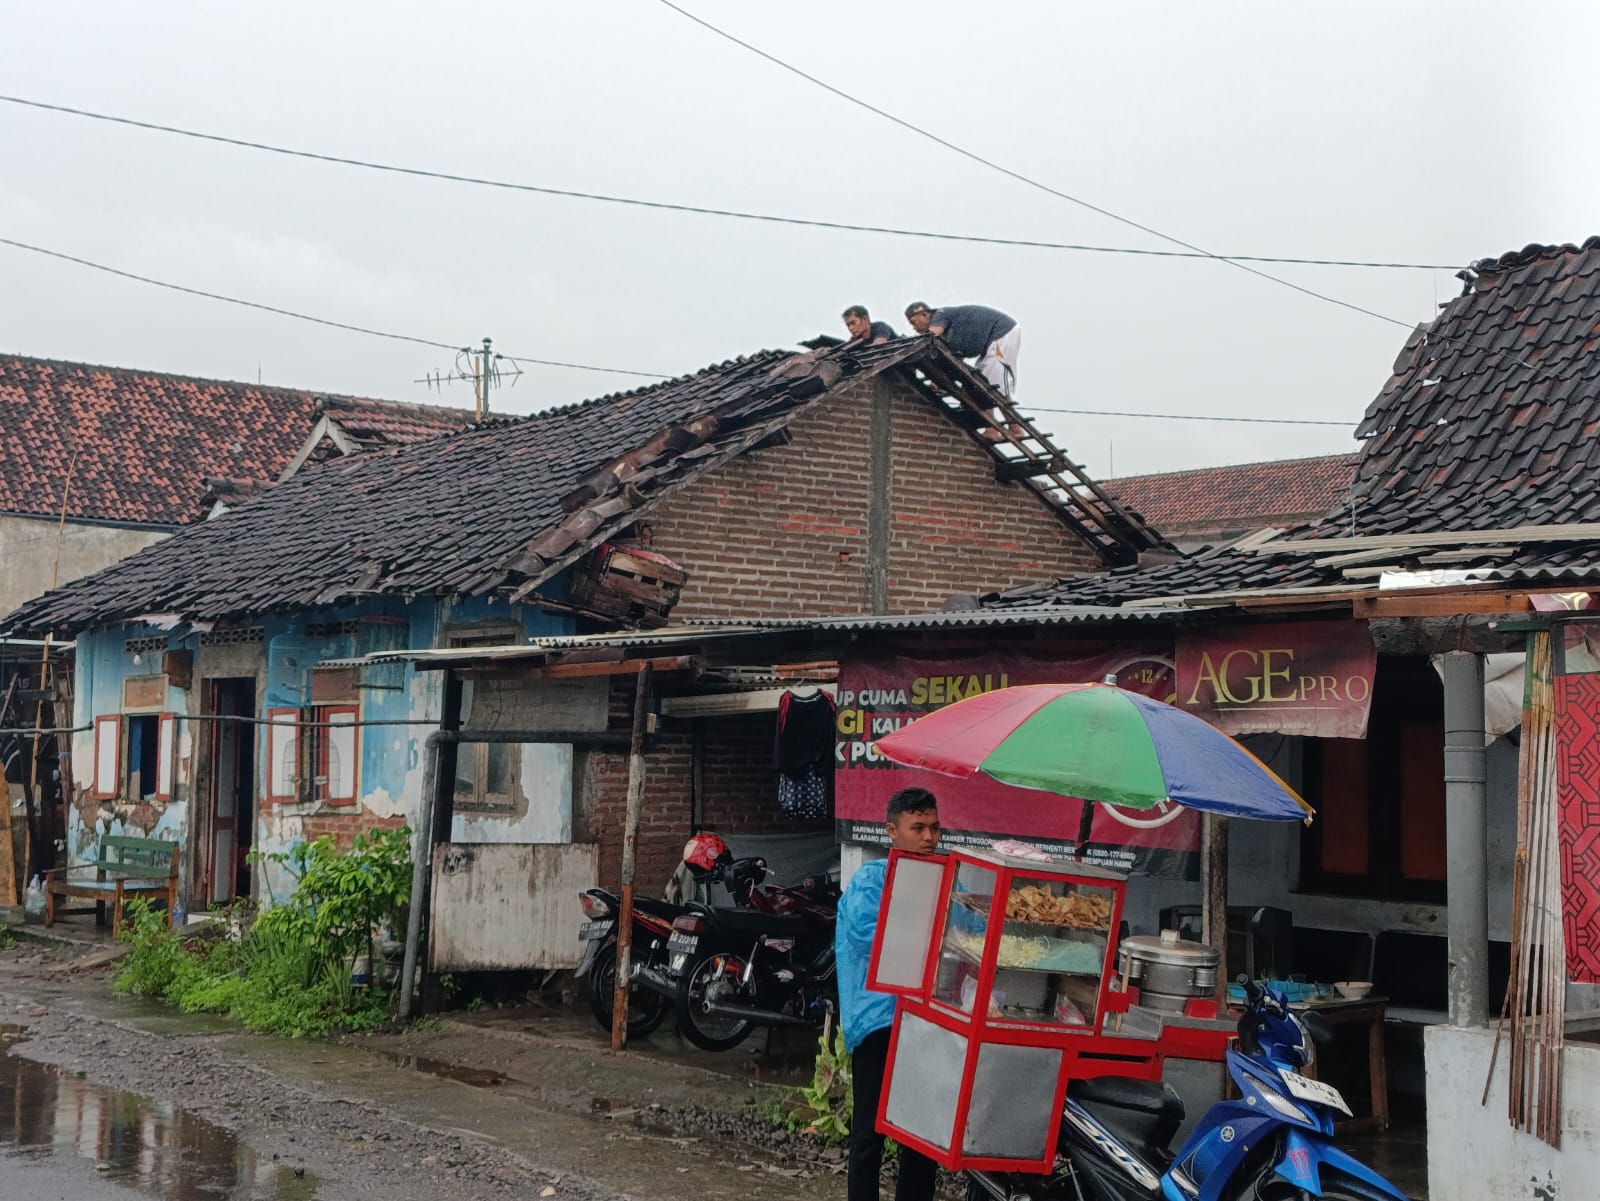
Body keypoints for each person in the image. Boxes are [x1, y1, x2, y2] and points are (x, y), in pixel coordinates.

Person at [836, 787, 943, 1201]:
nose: (928, 837)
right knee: (869, 1136)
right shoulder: (870, 881)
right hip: (879, 1024)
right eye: (917, 828)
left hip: (929, 1024)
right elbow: (869, 938)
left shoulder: (945, 879)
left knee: (920, 1138)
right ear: (891, 832)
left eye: (934, 827)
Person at [905, 302, 1022, 439]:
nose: (914, 328)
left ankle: (1012, 429)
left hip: (1002, 332)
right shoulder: (950, 330)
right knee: (982, 381)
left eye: (914, 322)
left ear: (925, 315)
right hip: (990, 341)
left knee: (995, 383)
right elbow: (953, 358)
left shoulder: (939, 315)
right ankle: (993, 430)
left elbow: (929, 339)